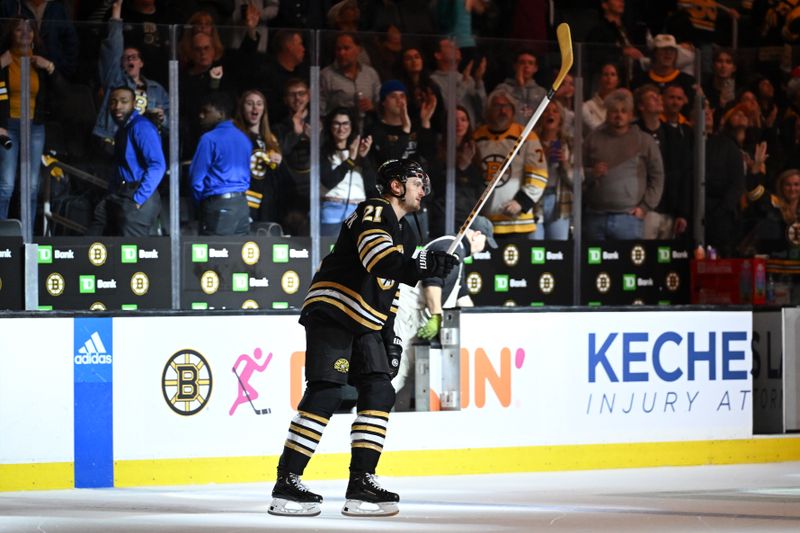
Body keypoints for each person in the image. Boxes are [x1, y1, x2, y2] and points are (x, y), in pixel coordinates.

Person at [269, 158, 458, 518]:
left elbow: (391, 290)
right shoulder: (373, 210)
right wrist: (424, 265)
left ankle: (361, 483)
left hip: (368, 321)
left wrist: (391, 339)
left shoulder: (408, 232)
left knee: (380, 388)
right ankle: (287, 482)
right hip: (335, 309)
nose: (423, 189)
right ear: (396, 185)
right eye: (417, 182)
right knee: (326, 389)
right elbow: (378, 260)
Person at [392, 215, 497, 411]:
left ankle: (397, 418)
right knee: (398, 369)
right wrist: (436, 316)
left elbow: (462, 295)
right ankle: (369, 414)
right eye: (485, 242)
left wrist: (481, 325)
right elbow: (432, 281)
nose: (484, 248)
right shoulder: (452, 247)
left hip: (414, 313)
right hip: (405, 311)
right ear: (476, 235)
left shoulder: (457, 250)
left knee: (411, 374)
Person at [0, 17, 62, 227]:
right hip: (8, 127)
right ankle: (2, 234)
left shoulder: (39, 62)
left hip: (35, 128)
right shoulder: (4, 60)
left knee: (32, 186)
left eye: (29, 30)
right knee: (7, 185)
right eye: (19, 30)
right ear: (11, 34)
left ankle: (27, 234)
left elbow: (64, 93)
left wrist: (50, 67)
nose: (25, 33)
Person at [583, 88, 664, 240]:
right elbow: (577, 172)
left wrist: (645, 207)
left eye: (623, 111)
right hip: (595, 216)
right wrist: (591, 173)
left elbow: (657, 176)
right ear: (607, 113)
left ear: (631, 115)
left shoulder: (644, 141)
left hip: (629, 219)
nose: (618, 115)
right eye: (614, 111)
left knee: (627, 264)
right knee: (592, 265)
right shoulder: (592, 138)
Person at [87, 86, 165, 236]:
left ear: (134, 104)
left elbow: (157, 165)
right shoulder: (123, 129)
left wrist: (138, 199)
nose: (117, 106)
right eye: (113, 102)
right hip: (119, 193)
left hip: (138, 193)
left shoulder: (141, 126)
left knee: (132, 253)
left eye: (124, 101)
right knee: (96, 234)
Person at [93, 0, 169, 152]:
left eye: (134, 57)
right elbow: (113, 49)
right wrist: (116, 10)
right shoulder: (115, 81)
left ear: (141, 63)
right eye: (126, 58)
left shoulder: (156, 89)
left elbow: (170, 120)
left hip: (146, 145)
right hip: (116, 143)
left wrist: (163, 118)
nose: (130, 60)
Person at [473, 88, 548, 238]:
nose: (502, 110)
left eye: (506, 106)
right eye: (497, 106)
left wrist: (522, 202)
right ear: (488, 110)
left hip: (517, 223)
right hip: (483, 223)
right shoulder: (476, 137)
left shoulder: (526, 136)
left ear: (513, 111)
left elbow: (539, 173)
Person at [189, 91, 253, 235]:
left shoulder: (209, 138)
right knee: (238, 255)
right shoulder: (244, 138)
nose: (201, 115)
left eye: (206, 111)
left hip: (218, 204)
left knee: (215, 254)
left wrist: (205, 203)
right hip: (242, 204)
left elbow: (196, 179)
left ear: (221, 114)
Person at [233, 89, 286, 226]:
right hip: (241, 202)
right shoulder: (236, 135)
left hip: (265, 204)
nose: (255, 108)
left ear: (264, 109)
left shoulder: (270, 139)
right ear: (242, 108)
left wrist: (278, 163)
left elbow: (277, 178)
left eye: (259, 104)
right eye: (250, 103)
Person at [320, 106, 375, 235]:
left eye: (345, 123)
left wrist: (362, 158)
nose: (341, 128)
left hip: (358, 212)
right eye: (337, 124)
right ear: (330, 126)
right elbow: (328, 181)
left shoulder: (358, 152)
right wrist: (350, 160)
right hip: (331, 210)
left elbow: (372, 185)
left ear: (351, 126)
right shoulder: (324, 152)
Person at [531, 100, 573, 240]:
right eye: (546, 111)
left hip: (559, 201)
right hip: (534, 201)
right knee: (534, 250)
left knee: (558, 250)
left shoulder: (570, 143)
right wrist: (542, 158)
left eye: (555, 111)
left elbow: (579, 181)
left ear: (560, 118)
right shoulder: (531, 141)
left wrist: (565, 164)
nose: (550, 114)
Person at [320, 32, 381, 118]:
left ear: (358, 50)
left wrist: (372, 107)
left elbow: (381, 103)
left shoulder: (370, 73)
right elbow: (320, 110)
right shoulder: (326, 75)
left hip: (368, 126)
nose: (341, 53)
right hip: (339, 127)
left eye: (346, 48)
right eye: (338, 49)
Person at [494, 50, 546, 125]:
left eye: (530, 63)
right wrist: (520, 87)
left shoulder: (541, 92)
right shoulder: (503, 89)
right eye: (522, 62)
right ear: (515, 66)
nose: (526, 66)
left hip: (533, 134)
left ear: (535, 68)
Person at [583, 62, 621, 133]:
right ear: (600, 79)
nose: (609, 78)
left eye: (613, 74)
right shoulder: (588, 106)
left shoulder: (622, 107)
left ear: (618, 81)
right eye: (606, 74)